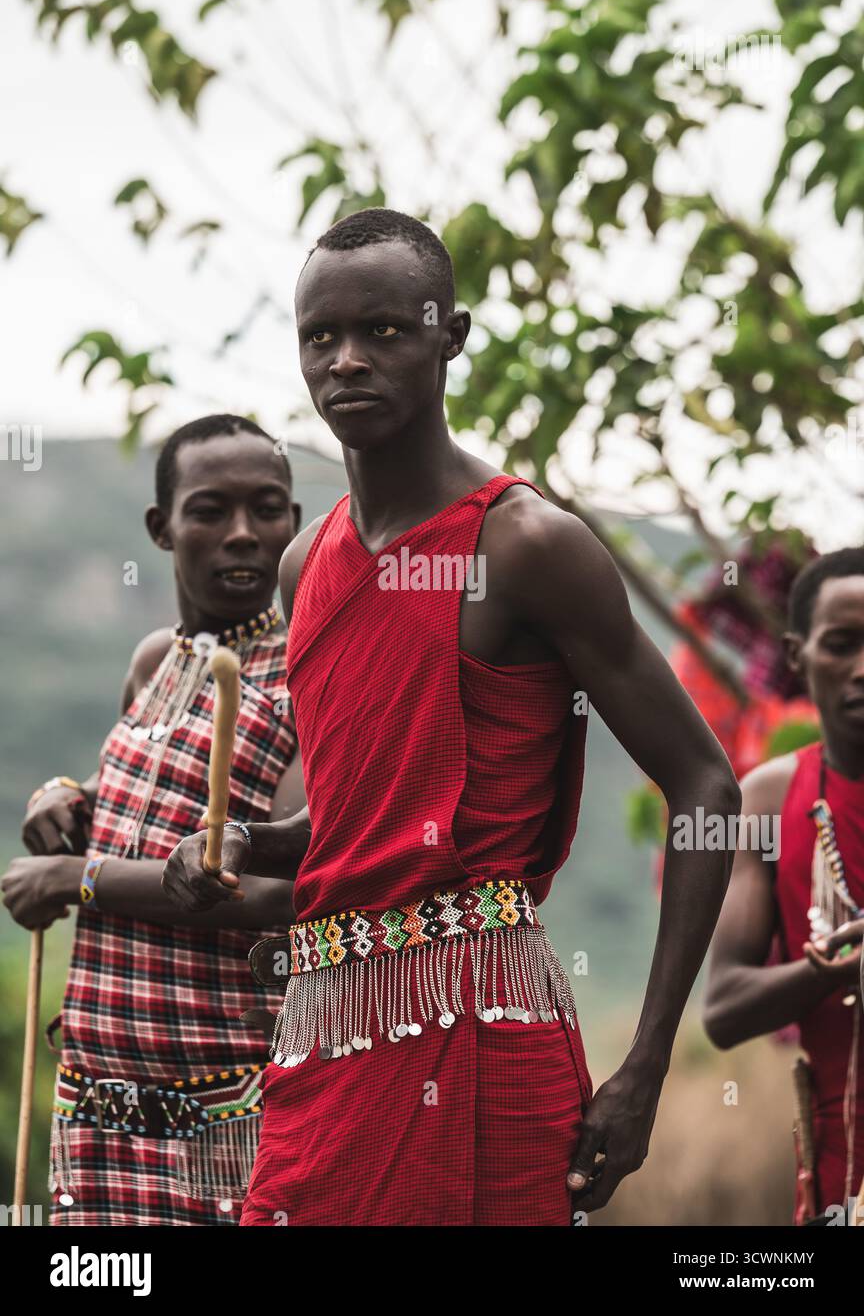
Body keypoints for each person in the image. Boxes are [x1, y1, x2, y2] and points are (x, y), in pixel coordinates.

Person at [163, 208, 740, 1227]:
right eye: (320, 338)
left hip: (480, 1034)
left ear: (451, 335)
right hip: (325, 1041)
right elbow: (349, 821)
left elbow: (704, 781)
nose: (347, 361)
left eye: (383, 330)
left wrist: (646, 1065)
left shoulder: (524, 545)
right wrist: (238, 842)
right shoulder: (307, 564)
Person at [2, 414, 304, 1226]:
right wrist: (62, 802)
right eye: (210, 510)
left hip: (226, 1110)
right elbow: (129, 805)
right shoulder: (153, 661)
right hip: (98, 1103)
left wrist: (78, 878)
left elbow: (286, 892)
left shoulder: (306, 678)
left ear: (295, 525)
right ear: (160, 528)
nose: (243, 535)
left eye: (267, 509)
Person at [704, 548, 864, 1223]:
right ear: (796, 656)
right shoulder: (769, 802)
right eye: (841, 645)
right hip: (841, 1172)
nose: (863, 668)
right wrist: (831, 968)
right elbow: (725, 1005)